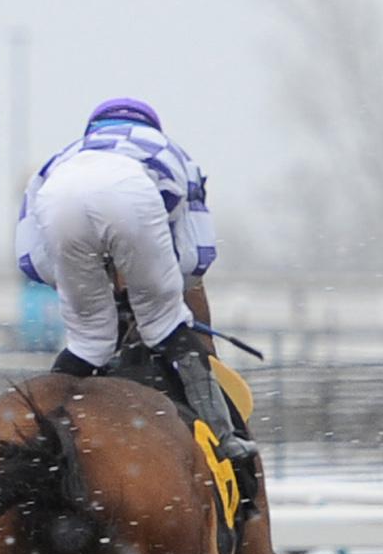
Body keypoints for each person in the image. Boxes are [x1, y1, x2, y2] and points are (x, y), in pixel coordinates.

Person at [16, 96, 255, 494]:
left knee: (90, 342)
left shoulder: (59, 160)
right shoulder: (174, 155)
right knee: (166, 326)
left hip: (59, 202)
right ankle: (225, 437)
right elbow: (197, 259)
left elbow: (32, 263)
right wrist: (152, 297)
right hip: (131, 196)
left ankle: (36, 434)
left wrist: (90, 291)